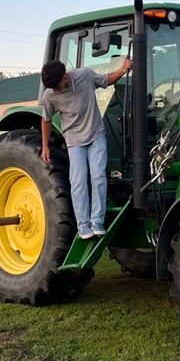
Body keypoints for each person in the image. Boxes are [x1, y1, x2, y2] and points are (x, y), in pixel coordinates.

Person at [40, 55, 132, 240]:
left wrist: (123, 69)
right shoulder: (49, 95)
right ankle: (83, 224)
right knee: (79, 181)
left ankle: (96, 221)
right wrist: (45, 146)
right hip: (74, 140)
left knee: (98, 176)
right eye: (53, 88)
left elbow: (106, 80)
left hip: (95, 134)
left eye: (58, 85)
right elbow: (46, 120)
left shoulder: (85, 75)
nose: (57, 90)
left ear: (66, 76)